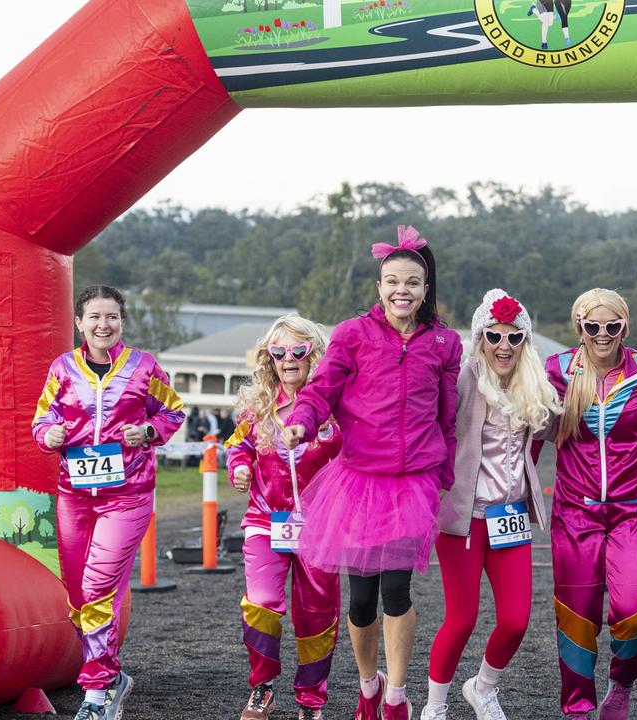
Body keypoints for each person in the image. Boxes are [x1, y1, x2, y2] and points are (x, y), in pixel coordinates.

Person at [281, 225, 461, 720]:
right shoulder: (352, 334)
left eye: (412, 282)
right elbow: (320, 391)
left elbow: (447, 417)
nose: (401, 290)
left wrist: (442, 475)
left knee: (396, 590)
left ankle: (398, 696)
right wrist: (300, 422)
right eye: (392, 281)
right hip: (359, 481)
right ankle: (368, 684)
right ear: (379, 286)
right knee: (360, 601)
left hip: (415, 480)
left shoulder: (444, 343)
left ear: (426, 289)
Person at [31, 285, 185, 720]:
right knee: (80, 597)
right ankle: (113, 676)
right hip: (74, 497)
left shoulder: (143, 367)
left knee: (99, 586)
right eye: (95, 317)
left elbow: (172, 411)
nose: (104, 324)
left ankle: (97, 693)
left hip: (128, 495)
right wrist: (50, 436)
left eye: (113, 316)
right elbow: (43, 419)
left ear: (122, 321)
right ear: (80, 322)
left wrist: (149, 432)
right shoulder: (62, 368)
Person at [421, 290, 560, 720]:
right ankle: (435, 705)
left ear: (525, 342)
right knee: (461, 619)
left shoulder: (534, 384)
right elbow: (432, 421)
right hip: (464, 520)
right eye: (494, 336)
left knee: (516, 620)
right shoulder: (463, 378)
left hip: (511, 517)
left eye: (513, 337)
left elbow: (560, 429)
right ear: (481, 336)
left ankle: (482, 688)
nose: (503, 346)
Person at [537, 288, 637, 720]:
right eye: (592, 325)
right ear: (579, 326)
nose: (602, 334)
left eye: (611, 326)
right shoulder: (556, 371)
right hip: (575, 512)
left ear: (624, 327)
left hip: (634, 510)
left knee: (632, 610)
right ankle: (577, 708)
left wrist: (630, 470)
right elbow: (536, 430)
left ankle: (622, 683)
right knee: (576, 615)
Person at [226, 314, 344, 720]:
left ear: (315, 355)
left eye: (299, 350)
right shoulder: (258, 407)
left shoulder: (336, 405)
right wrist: (238, 467)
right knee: (260, 603)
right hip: (265, 520)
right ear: (269, 358)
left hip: (321, 528)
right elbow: (237, 446)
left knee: (317, 615)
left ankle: (311, 701)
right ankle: (262, 688)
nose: (288, 359)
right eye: (279, 352)